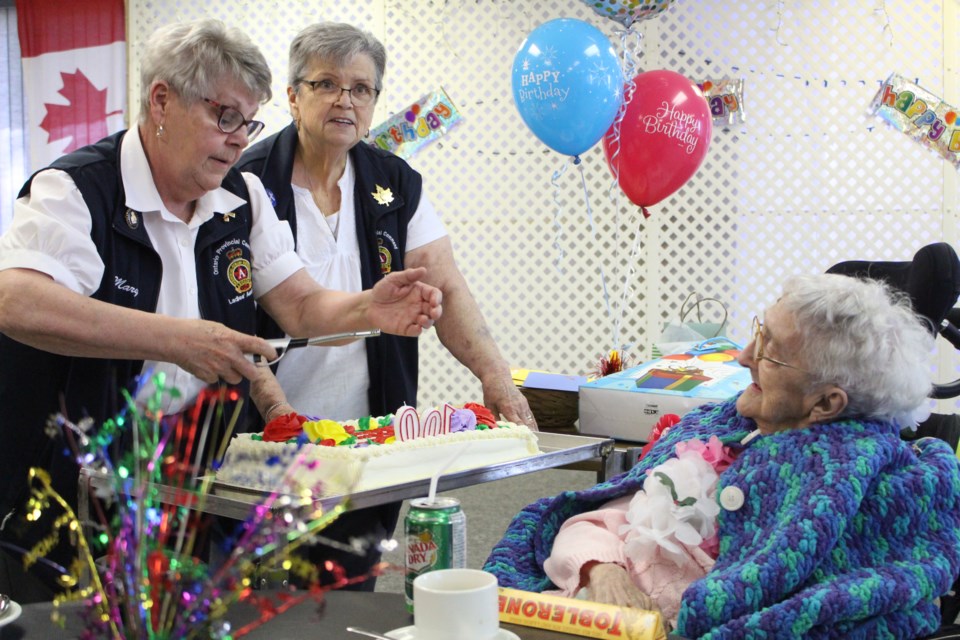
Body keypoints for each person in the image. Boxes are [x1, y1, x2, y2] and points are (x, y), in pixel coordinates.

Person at [0, 18, 441, 601]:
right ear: (162, 100)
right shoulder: (75, 189)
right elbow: (18, 301)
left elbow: (302, 306)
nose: (239, 139)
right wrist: (175, 339)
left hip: (185, 481)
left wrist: (369, 308)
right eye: (224, 117)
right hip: (69, 486)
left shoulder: (241, 198)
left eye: (248, 122)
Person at [485, 273, 960, 638]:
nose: (743, 356)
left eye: (771, 353)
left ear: (826, 403)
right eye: (759, 332)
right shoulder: (724, 425)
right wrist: (603, 570)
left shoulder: (864, 478)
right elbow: (595, 522)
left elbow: (837, 603)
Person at [237, 22, 534, 589]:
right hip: (264, 436)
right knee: (257, 597)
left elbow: (447, 287)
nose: (345, 100)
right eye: (326, 84)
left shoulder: (395, 182)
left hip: (369, 441)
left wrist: (494, 374)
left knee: (349, 590)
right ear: (293, 97)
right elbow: (224, 314)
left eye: (362, 88)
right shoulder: (245, 181)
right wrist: (275, 411)